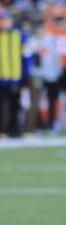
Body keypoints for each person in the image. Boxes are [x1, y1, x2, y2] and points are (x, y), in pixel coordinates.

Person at [0, 9, 27, 137]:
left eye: (6, 20)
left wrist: (25, 75)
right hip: (1, 77)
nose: (4, 23)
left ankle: (14, 130)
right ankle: (2, 131)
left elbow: (27, 56)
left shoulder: (19, 35)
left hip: (15, 77)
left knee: (15, 105)